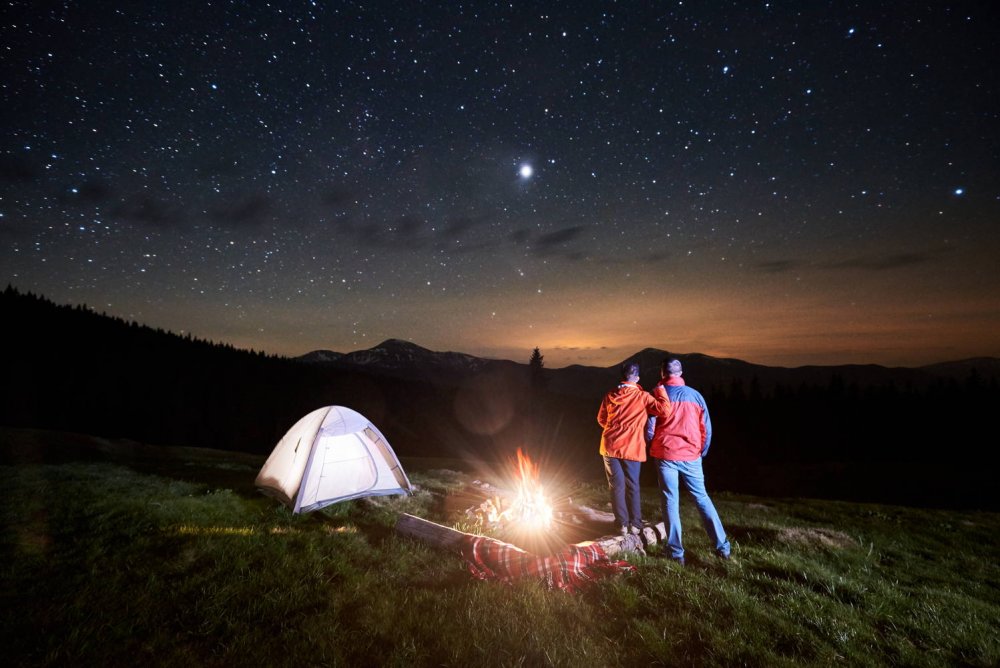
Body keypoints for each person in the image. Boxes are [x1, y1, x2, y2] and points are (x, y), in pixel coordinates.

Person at [646, 358, 731, 565]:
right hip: (692, 455)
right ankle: (722, 548)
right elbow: (706, 428)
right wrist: (701, 451)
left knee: (670, 501)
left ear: (662, 373)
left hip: (666, 455)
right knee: (702, 498)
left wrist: (653, 447)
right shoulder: (696, 396)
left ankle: (676, 553)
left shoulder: (658, 395)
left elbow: (649, 428)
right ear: (681, 372)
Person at [597, 362, 672, 536]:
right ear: (637, 378)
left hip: (610, 445)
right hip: (632, 446)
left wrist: (613, 430)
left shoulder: (610, 394)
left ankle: (621, 525)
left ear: (622, 377)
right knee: (632, 485)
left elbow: (601, 419)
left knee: (616, 486)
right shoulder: (643, 396)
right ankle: (636, 525)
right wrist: (660, 390)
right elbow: (665, 410)